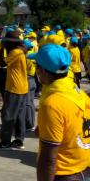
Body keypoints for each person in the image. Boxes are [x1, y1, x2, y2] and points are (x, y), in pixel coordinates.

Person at [33, 44, 90, 181]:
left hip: (65, 174)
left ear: (44, 72)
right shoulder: (79, 93)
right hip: (84, 169)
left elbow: (48, 160)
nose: (36, 71)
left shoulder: (52, 104)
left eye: (37, 66)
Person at [0, 29, 28, 150]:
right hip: (22, 87)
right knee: (19, 115)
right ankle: (19, 140)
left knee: (8, 115)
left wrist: (1, 48)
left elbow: (2, 63)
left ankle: (5, 141)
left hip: (14, 87)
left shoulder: (14, 53)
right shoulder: (21, 51)